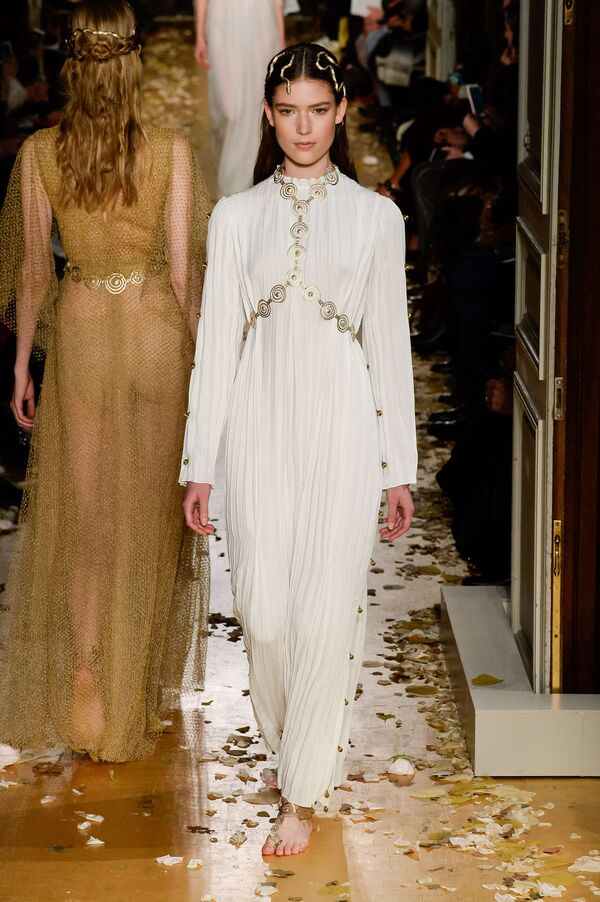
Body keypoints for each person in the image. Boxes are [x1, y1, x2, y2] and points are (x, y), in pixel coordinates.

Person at [181, 42, 417, 856]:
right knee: (266, 614)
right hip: (256, 426)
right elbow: (216, 346)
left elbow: (389, 347)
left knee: (324, 612)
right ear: (269, 116)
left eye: (319, 110)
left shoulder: (377, 219)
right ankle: (290, 752)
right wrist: (199, 463)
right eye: (289, 112)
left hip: (344, 426)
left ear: (341, 113)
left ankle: (302, 791)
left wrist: (397, 469)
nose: (304, 127)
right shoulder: (234, 218)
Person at [0, 0, 210, 762]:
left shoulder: (39, 155)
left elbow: (33, 271)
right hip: (156, 335)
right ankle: (134, 680)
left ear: (70, 65)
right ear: (134, 63)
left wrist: (21, 363)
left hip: (84, 332)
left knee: (87, 524)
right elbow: (185, 278)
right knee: (149, 520)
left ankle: (88, 673)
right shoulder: (170, 153)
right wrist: (213, 376)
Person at [194, 0, 285, 197]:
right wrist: (200, 34)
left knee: (257, 103)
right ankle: (234, 180)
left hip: (261, 22)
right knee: (227, 110)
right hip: (222, 24)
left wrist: (281, 38)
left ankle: (250, 184)